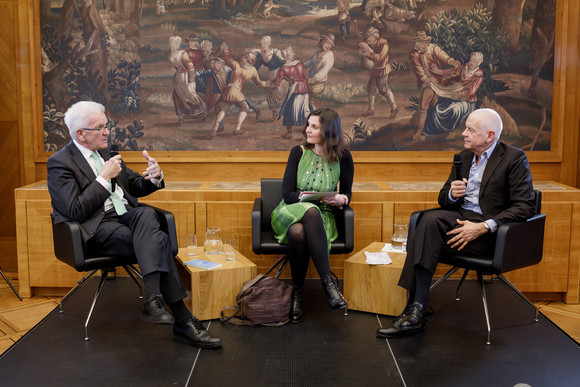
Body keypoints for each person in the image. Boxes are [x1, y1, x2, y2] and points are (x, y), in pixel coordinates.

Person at [47, 101, 222, 349]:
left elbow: (133, 186)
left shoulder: (107, 152)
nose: (107, 131)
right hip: (97, 228)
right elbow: (74, 210)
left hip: (126, 219)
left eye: (106, 125)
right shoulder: (60, 163)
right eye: (100, 127)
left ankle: (153, 300)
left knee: (146, 215)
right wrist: (103, 178)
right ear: (81, 134)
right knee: (158, 240)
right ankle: (182, 321)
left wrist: (153, 177)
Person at [376, 108, 536, 338]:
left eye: (470, 130)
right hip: (461, 219)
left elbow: (525, 206)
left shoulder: (514, 158)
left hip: (493, 233)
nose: (464, 134)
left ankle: (416, 308)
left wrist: (483, 227)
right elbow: (443, 199)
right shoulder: (464, 157)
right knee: (425, 220)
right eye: (465, 128)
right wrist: (451, 193)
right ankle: (419, 307)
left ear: (489, 135)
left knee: (426, 233)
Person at [271, 108, 354, 323]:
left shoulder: (343, 156)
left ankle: (297, 294)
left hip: (322, 218)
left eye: (314, 126)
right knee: (308, 211)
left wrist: (342, 199)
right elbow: (288, 195)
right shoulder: (297, 152)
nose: (307, 129)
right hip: (289, 211)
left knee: (298, 232)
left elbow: (347, 192)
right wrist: (316, 199)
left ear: (328, 131)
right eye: (308, 124)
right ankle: (328, 284)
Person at [415, 51, 485, 141]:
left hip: (466, 101)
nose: (471, 63)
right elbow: (452, 72)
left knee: (454, 109)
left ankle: (449, 131)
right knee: (437, 106)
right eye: (471, 60)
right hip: (453, 94)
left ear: (478, 63)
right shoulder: (464, 67)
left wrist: (459, 94)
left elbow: (471, 91)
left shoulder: (478, 75)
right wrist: (438, 71)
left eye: (474, 62)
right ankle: (429, 132)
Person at [207, 42, 267, 138]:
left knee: (222, 109)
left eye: (244, 57)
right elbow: (259, 83)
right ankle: (237, 128)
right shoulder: (252, 71)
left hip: (229, 91)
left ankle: (214, 129)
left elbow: (226, 58)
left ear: (247, 59)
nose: (242, 58)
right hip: (237, 93)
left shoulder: (236, 65)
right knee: (245, 108)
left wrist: (226, 49)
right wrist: (268, 84)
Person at [409, 31, 460, 139]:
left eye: (426, 42)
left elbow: (443, 56)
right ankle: (420, 131)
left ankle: (450, 130)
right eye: (423, 43)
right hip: (427, 82)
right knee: (424, 104)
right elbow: (418, 70)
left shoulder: (433, 48)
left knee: (446, 103)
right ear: (417, 43)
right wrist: (426, 79)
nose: (426, 45)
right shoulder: (414, 54)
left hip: (441, 80)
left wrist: (451, 62)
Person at [270, 46, 310, 140]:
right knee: (304, 111)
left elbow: (277, 83)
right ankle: (309, 132)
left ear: (283, 57)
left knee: (287, 111)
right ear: (291, 55)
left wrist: (268, 84)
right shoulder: (300, 64)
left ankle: (289, 133)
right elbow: (305, 77)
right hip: (304, 90)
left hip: (294, 90)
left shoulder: (283, 69)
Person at [359, 27, 398, 118]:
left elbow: (380, 57)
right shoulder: (370, 44)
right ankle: (371, 109)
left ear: (375, 36)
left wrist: (369, 54)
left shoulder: (384, 45)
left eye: (369, 37)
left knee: (383, 89)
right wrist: (363, 49)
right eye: (367, 37)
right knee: (371, 88)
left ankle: (394, 107)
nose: (368, 39)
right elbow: (364, 52)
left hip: (382, 70)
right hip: (374, 70)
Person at [168, 36, 206, 123]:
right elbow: (175, 64)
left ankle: (203, 110)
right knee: (177, 94)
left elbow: (190, 65)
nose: (174, 45)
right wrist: (178, 69)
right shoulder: (171, 54)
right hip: (178, 77)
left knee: (190, 93)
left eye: (176, 44)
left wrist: (191, 78)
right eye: (172, 44)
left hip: (187, 75)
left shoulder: (184, 53)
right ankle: (181, 117)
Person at [304, 34, 336, 111]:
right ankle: (306, 105)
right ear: (322, 42)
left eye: (331, 45)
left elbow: (325, 70)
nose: (329, 46)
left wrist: (315, 78)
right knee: (302, 86)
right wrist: (300, 65)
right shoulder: (316, 53)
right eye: (327, 43)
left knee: (307, 88)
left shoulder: (330, 55)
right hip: (311, 79)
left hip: (319, 82)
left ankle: (310, 104)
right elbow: (309, 62)